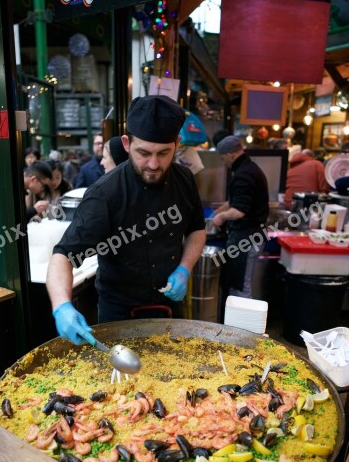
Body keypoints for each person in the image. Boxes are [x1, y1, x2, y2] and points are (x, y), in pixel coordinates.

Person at [46, 95, 206, 344]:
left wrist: (184, 268)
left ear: (177, 143)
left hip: (171, 308)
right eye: (144, 153)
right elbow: (63, 256)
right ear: (126, 143)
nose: (153, 164)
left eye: (164, 153)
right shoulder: (105, 193)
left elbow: (197, 229)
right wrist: (61, 306)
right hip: (118, 313)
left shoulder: (185, 180)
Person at [212, 136, 269, 299]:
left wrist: (221, 217)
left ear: (230, 154)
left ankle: (242, 325)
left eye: (223, 159)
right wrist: (218, 211)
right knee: (238, 284)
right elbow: (236, 201)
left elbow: (239, 211)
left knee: (241, 287)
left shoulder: (243, 174)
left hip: (247, 238)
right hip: (251, 236)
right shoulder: (249, 169)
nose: (224, 163)